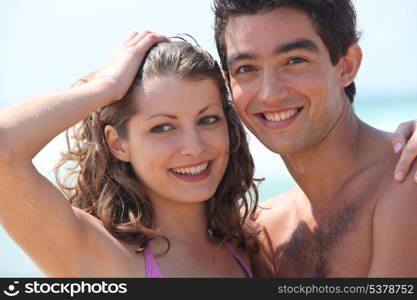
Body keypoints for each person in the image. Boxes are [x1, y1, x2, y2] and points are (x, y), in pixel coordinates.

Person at [0, 32, 259, 277]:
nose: (194, 147)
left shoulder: (251, 247)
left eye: (208, 119)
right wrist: (106, 86)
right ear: (117, 143)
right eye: (163, 128)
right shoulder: (100, 255)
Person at [213, 0, 417, 277]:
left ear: (346, 67)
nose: (270, 93)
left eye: (295, 61)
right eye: (247, 68)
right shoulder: (261, 231)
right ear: (229, 83)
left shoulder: (405, 184)